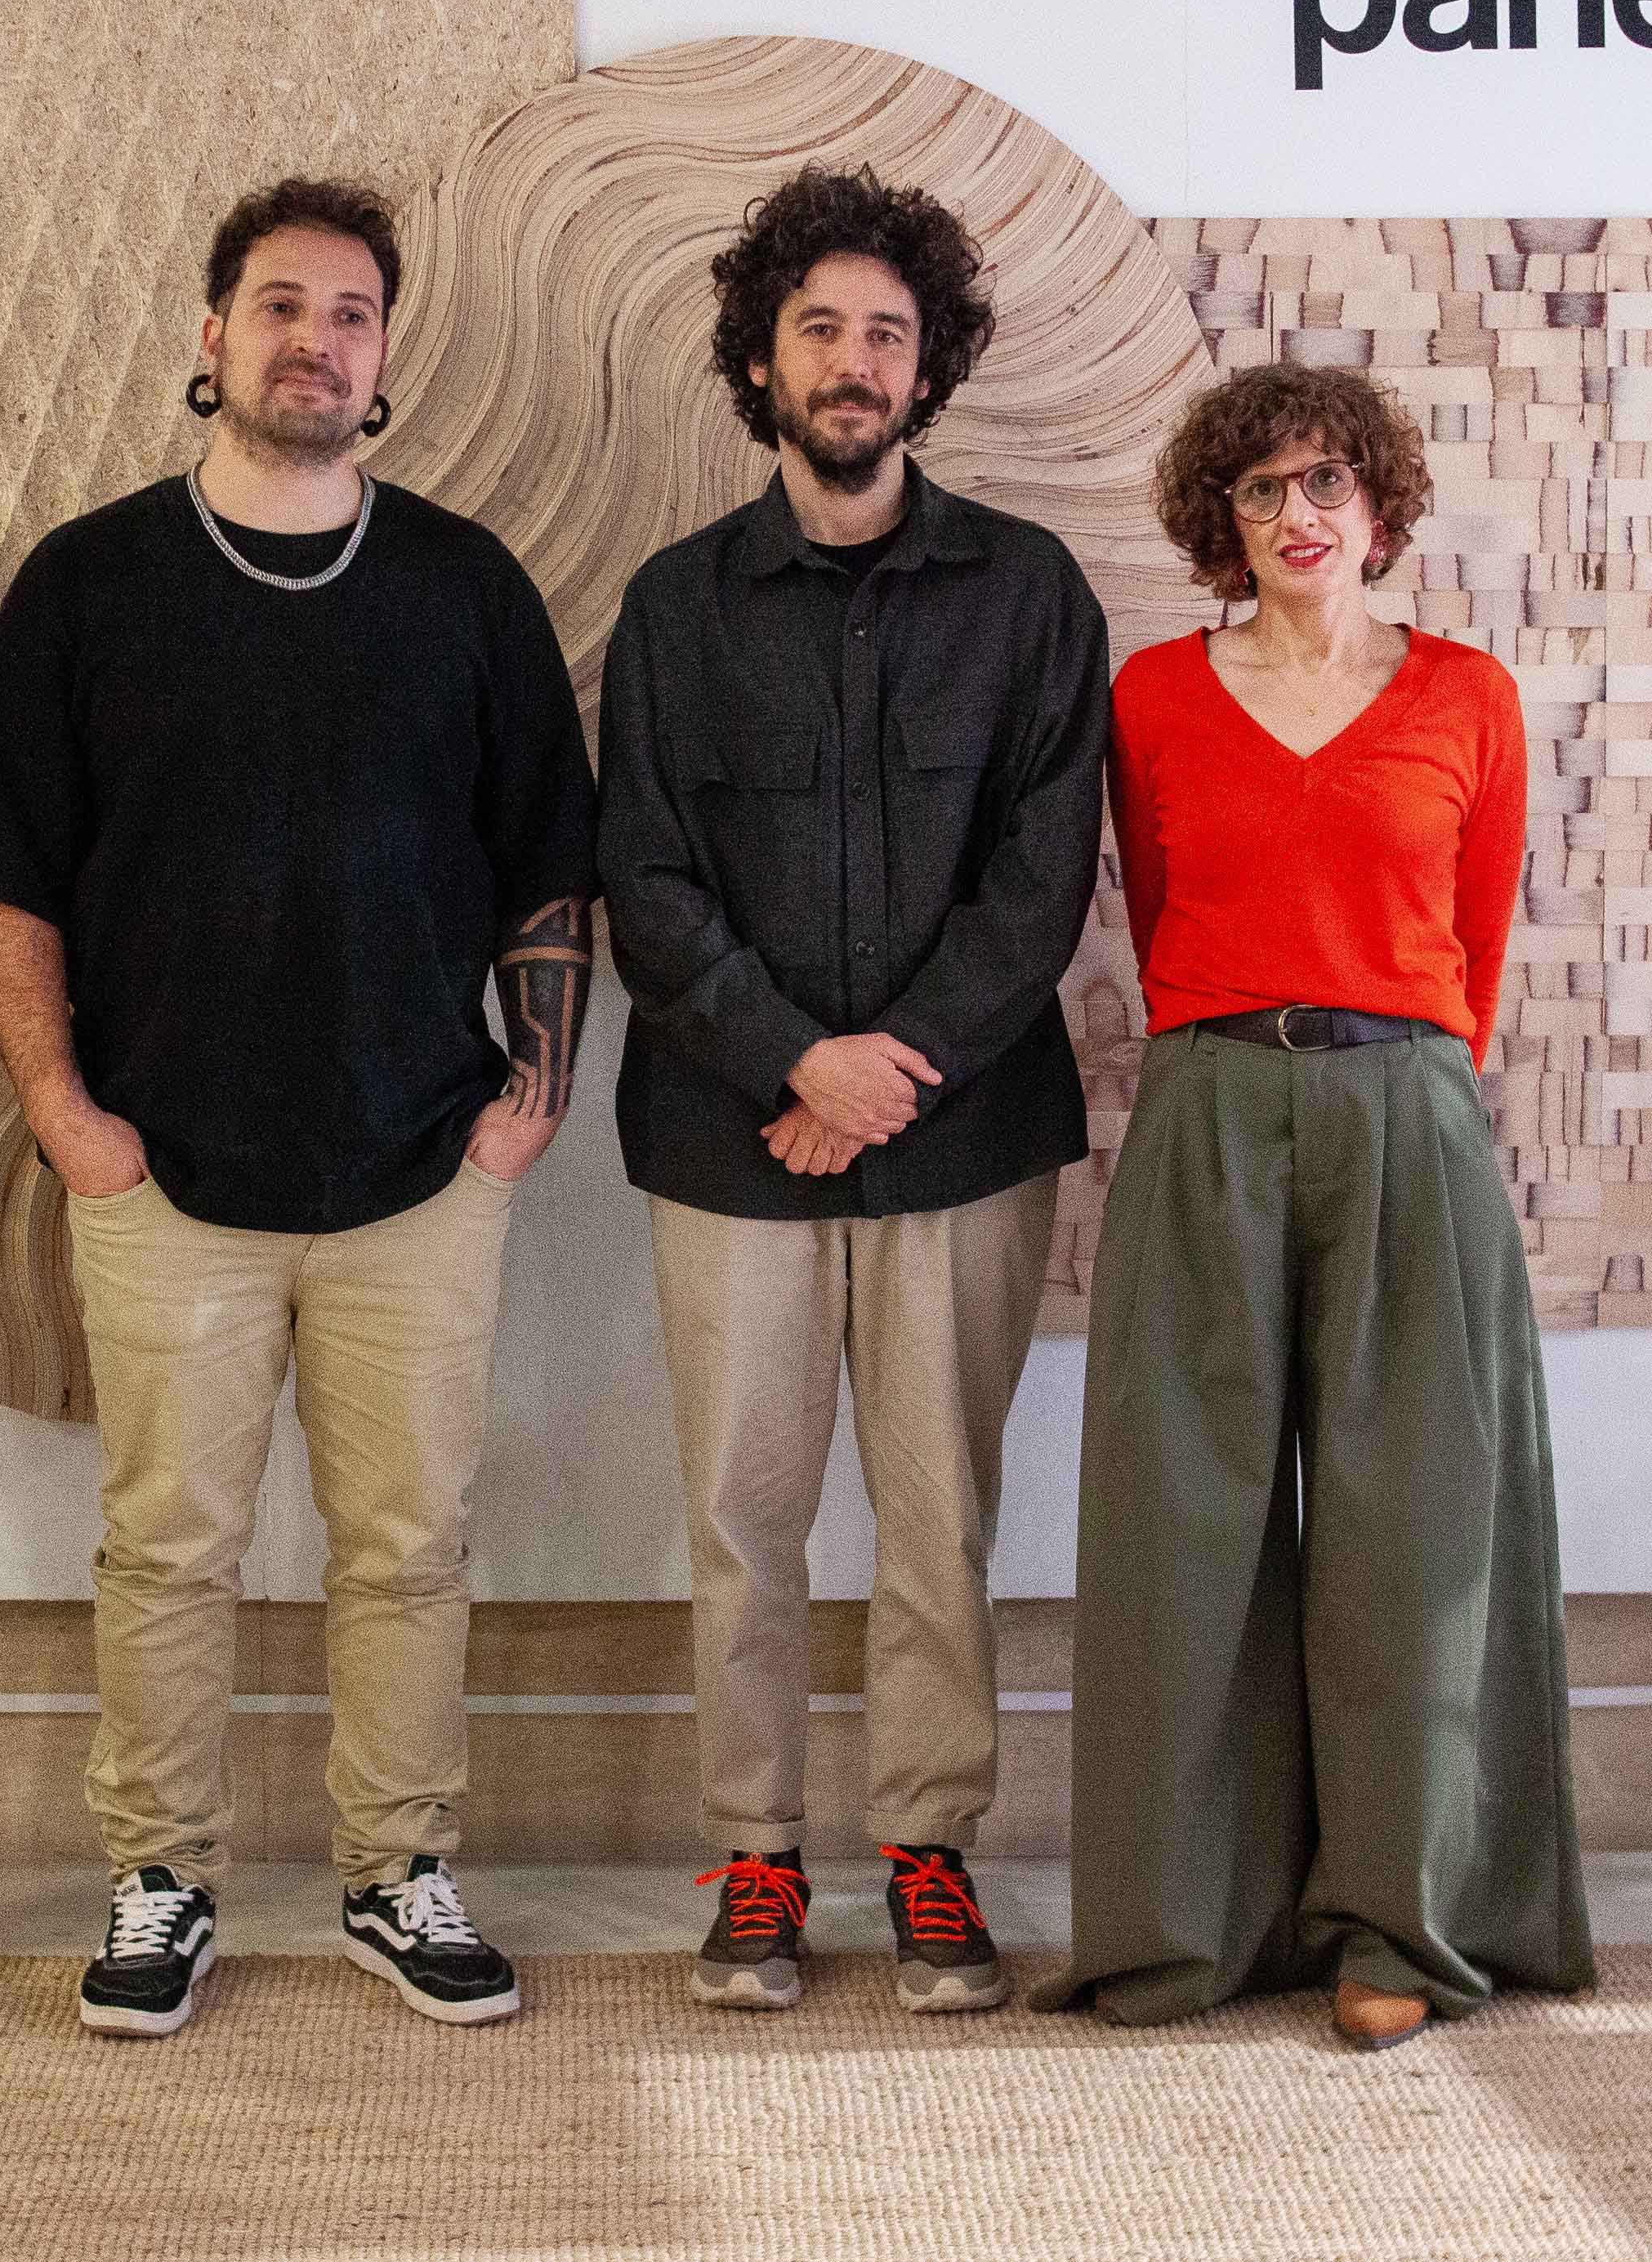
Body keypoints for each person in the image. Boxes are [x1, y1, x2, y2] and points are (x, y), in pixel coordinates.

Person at [0, 175, 599, 2038]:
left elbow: (547, 861)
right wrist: (63, 1111)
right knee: (168, 1549)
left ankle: (400, 1872)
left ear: (385, 360)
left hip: (424, 1162)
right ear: (213, 334)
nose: (317, 341)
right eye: (283, 305)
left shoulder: (466, 586)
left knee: (410, 1547)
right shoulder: (89, 583)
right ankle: (162, 1879)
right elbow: (9, 880)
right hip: (161, 1169)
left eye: (353, 314)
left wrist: (534, 1095)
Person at [598, 164, 1106, 2015]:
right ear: (762, 358)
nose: (854, 360)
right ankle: (753, 1857)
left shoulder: (1028, 594)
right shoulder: (674, 605)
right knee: (744, 1524)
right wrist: (793, 1060)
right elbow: (644, 873)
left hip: (963, 1138)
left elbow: (1044, 876)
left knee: (937, 1521)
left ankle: (928, 1852)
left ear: (928, 367)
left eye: (888, 332)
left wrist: (881, 1078)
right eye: (819, 326)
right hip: (727, 1136)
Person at [1056, 361, 1592, 2048]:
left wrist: (1392, 1075)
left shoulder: (1469, 697)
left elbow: (1474, 945)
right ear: (1221, 522)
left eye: (1327, 485)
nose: (1298, 516)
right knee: (1180, 1522)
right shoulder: (1153, 697)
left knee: (1414, 1530)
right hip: (1209, 1103)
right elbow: (1161, 911)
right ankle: (1182, 1925)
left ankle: (1400, 1927)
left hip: (1406, 1110)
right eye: (1262, 490)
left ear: (1379, 509)